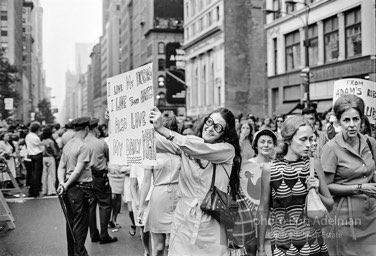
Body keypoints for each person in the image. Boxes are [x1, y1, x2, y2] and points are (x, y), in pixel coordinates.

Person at [149, 107, 242, 255]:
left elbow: (198, 149)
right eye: (209, 121)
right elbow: (153, 143)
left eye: (217, 127)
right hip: (183, 218)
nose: (210, 128)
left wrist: (163, 129)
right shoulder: (188, 143)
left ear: (225, 133)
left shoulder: (227, 150)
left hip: (212, 221)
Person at [258, 115, 333, 256]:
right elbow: (263, 209)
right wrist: (261, 248)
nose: (309, 144)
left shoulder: (314, 164)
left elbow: (330, 205)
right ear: (287, 139)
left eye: (311, 139)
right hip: (283, 248)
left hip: (314, 246)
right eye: (303, 139)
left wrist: (317, 192)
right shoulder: (269, 169)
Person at [320, 94, 376, 255]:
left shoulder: (370, 143)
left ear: (362, 119)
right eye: (346, 120)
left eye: (356, 119)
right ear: (338, 121)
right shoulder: (331, 148)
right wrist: (359, 188)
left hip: (371, 216)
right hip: (343, 221)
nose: (352, 125)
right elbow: (326, 187)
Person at [138, 111, 181, 256]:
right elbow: (146, 180)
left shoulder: (181, 148)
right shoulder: (150, 149)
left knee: (177, 245)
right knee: (158, 247)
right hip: (159, 198)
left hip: (179, 197)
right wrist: (141, 205)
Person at [57, 117, 93, 256]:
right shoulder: (83, 146)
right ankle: (81, 254)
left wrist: (63, 183)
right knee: (80, 225)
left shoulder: (68, 144)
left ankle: (72, 253)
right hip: (80, 189)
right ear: (87, 129)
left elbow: (61, 167)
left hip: (69, 188)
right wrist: (65, 184)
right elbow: (78, 170)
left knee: (71, 223)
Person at [240, 129, 277, 256]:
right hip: (249, 217)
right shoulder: (246, 165)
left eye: (269, 142)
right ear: (256, 145)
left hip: (270, 217)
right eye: (262, 142)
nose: (266, 145)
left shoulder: (277, 166)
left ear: (274, 145)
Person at [85, 118, 117, 244]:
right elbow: (109, 158)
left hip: (86, 177)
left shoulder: (82, 143)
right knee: (105, 204)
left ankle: (94, 234)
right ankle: (104, 235)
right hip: (100, 177)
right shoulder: (101, 143)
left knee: (90, 206)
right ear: (96, 128)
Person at [25, 121, 44, 198]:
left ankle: (32, 191)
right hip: (38, 155)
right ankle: (35, 191)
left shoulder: (28, 136)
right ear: (37, 129)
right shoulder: (35, 137)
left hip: (31, 155)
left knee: (33, 173)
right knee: (37, 174)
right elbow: (41, 146)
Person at [40, 127, 59, 196]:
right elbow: (54, 151)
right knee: (51, 174)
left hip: (43, 158)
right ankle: (51, 190)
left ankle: (44, 190)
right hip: (50, 158)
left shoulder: (42, 141)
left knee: (44, 174)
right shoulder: (51, 141)